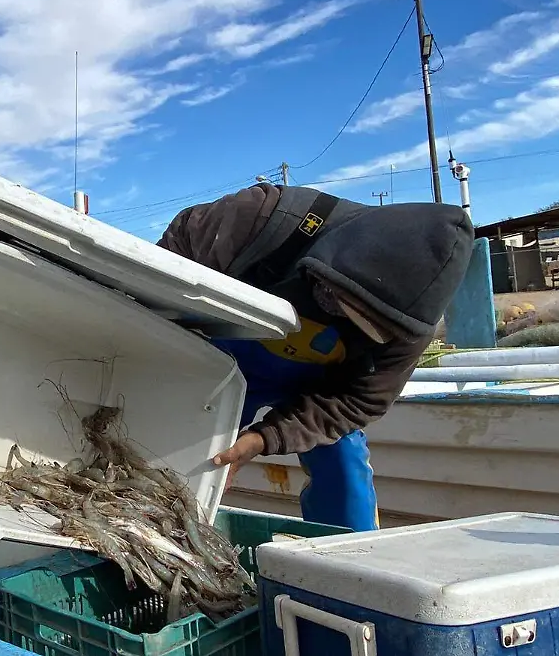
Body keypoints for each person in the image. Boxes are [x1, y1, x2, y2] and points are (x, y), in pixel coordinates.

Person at [157, 183, 474, 532]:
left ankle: (349, 565)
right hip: (216, 367)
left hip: (317, 389)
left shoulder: (408, 328)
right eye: (330, 300)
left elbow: (357, 402)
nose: (336, 317)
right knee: (175, 460)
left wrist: (263, 439)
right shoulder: (257, 219)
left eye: (363, 326)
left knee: (344, 473)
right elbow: (153, 292)